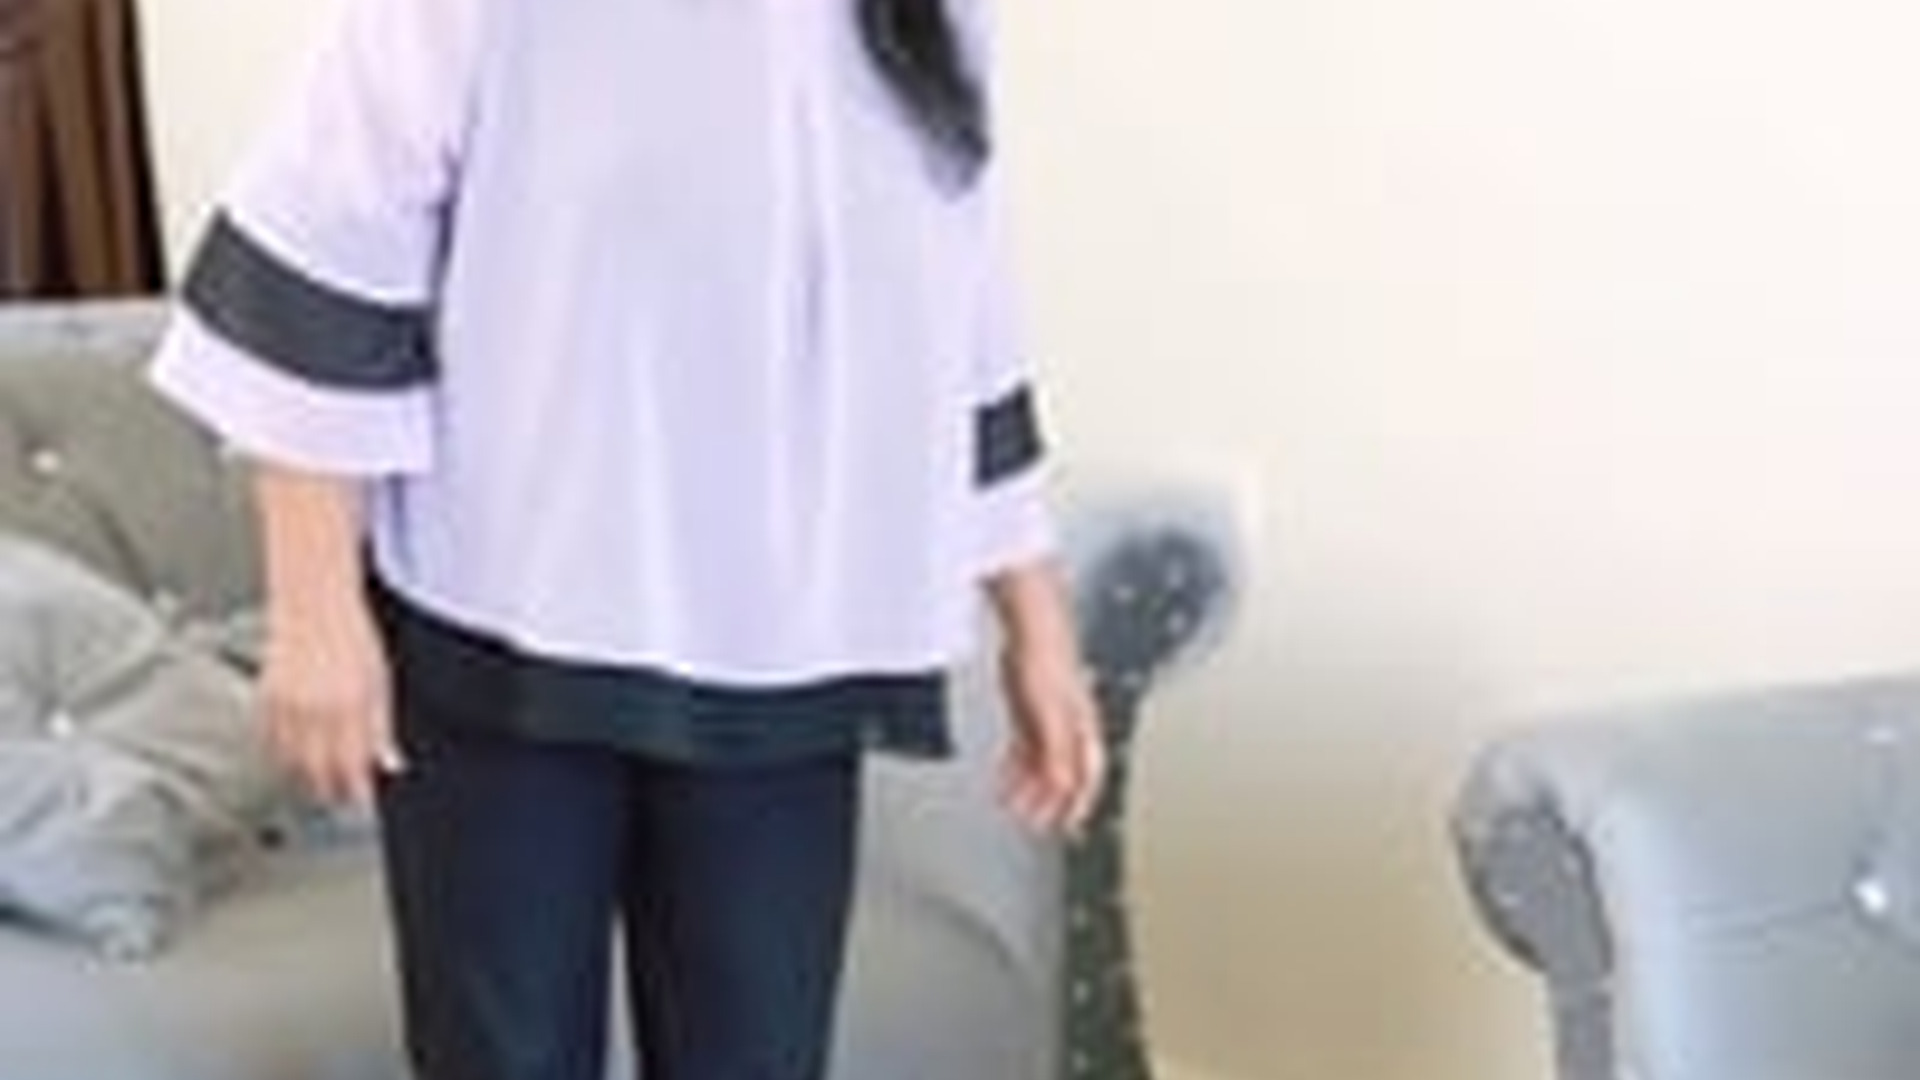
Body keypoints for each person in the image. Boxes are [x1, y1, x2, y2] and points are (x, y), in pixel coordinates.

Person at [146, 0, 1105, 1077]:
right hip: (504, 637)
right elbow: (322, 239)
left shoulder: (934, 16)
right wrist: (315, 609)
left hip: (786, 651)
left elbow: (960, 319)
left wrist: (1037, 619)